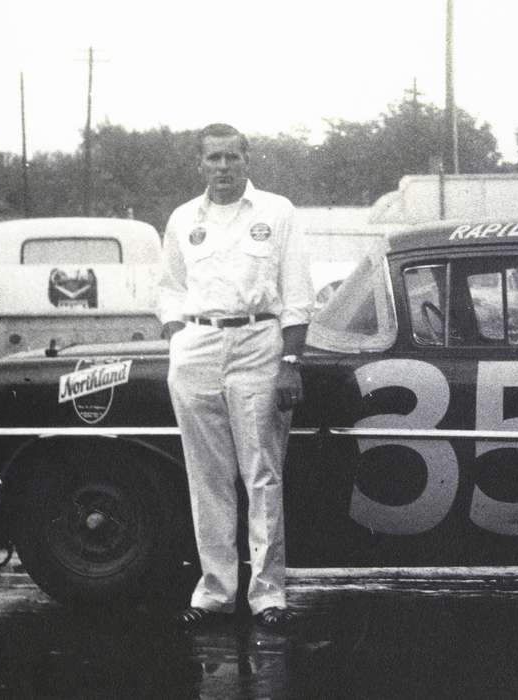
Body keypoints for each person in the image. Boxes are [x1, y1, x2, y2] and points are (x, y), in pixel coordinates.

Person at [157, 123, 312, 629]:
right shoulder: (184, 218)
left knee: (261, 473)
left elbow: (297, 291)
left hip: (257, 344)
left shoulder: (277, 212)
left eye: (231, 157)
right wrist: (179, 336)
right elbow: (170, 289)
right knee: (207, 477)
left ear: (247, 159)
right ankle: (215, 592)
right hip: (198, 346)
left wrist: (290, 361)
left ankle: (267, 595)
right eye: (212, 159)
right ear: (200, 164)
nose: (222, 167)